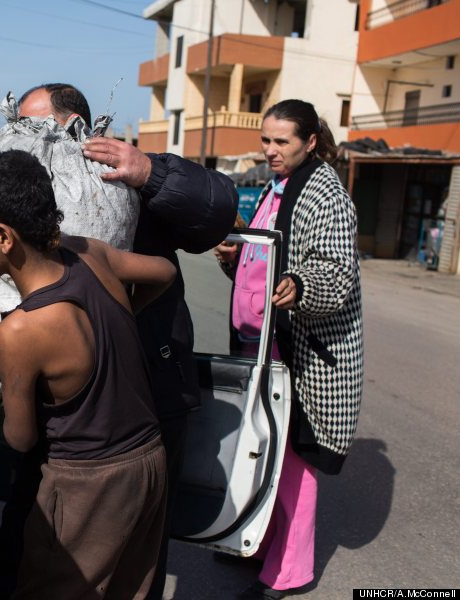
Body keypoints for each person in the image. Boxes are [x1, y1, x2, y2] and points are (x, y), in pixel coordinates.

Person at [0, 149, 176, 599]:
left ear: (3, 236)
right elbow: (164, 271)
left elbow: (22, 439)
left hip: (87, 487)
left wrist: (16, 384)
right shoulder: (89, 254)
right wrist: (124, 314)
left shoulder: (19, 331)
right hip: (149, 464)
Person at [213, 99, 364, 599]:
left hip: (301, 351)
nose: (271, 151)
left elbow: (336, 271)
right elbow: (265, 260)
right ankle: (257, 543)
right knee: (261, 452)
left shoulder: (327, 193)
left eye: (282, 142)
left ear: (310, 142)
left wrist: (300, 284)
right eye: (265, 140)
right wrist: (237, 256)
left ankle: (289, 571)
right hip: (262, 344)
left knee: (294, 459)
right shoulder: (276, 187)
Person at [83, 130, 237, 598]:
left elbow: (218, 209)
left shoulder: (127, 176)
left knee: (142, 540)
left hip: (152, 385)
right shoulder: (36, 184)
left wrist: (150, 174)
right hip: (73, 398)